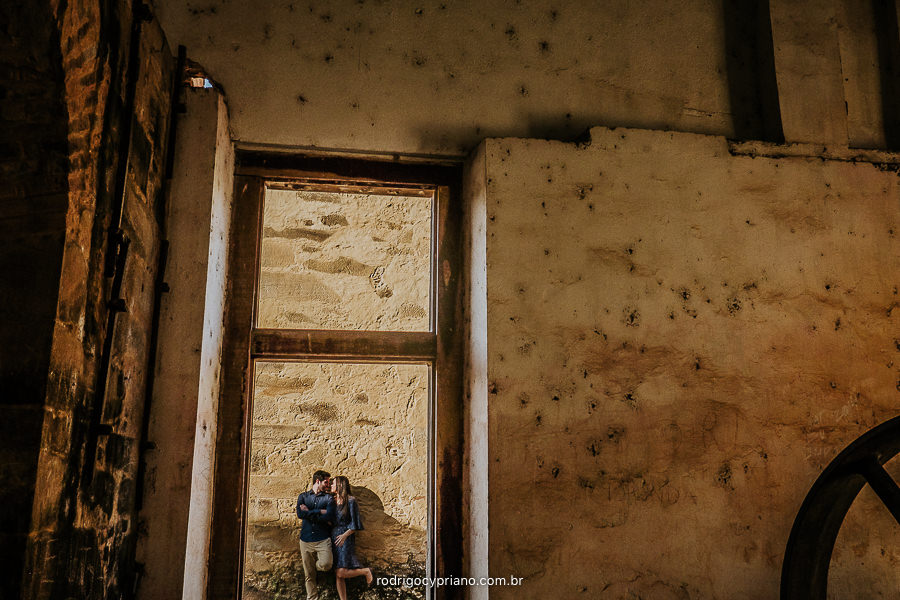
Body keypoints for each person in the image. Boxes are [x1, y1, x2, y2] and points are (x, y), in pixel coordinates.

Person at [330, 475, 374, 600]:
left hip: (345, 538)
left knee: (341, 571)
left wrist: (344, 536)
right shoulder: (332, 500)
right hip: (333, 538)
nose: (331, 486)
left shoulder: (350, 501)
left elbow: (355, 524)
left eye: (333, 484)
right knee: (338, 575)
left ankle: (366, 571)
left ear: (340, 485)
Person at [296, 470, 337, 600]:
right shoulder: (303, 497)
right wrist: (320, 511)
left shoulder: (328, 498)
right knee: (309, 575)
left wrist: (310, 512)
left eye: (330, 482)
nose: (328, 485)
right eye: (326, 482)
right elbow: (300, 514)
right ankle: (312, 598)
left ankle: (316, 567)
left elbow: (329, 515)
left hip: (322, 539)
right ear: (317, 481)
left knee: (326, 565)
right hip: (305, 539)